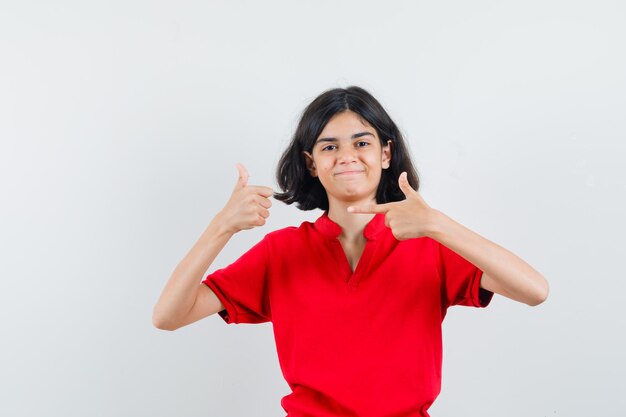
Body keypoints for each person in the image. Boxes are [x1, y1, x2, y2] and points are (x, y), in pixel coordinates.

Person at [152, 86, 549, 417]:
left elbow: (534, 290)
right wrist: (222, 226)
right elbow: (169, 316)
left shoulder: (429, 244)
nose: (346, 156)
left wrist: (436, 223)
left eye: (362, 142)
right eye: (329, 147)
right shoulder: (282, 251)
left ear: (386, 154)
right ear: (311, 163)